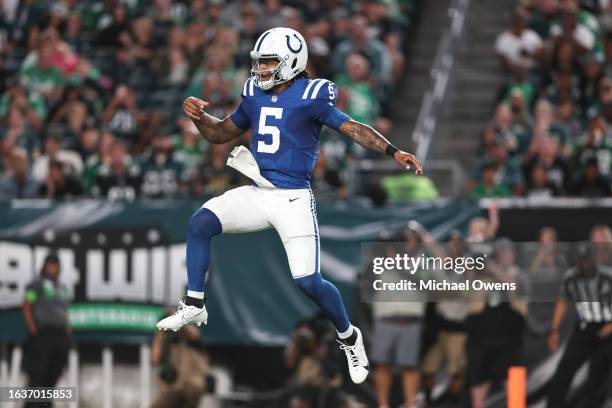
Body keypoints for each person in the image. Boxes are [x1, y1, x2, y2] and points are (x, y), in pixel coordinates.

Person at [156, 26, 423, 384]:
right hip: (258, 190)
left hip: (293, 199)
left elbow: (353, 128)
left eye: (269, 62)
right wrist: (200, 119)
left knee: (309, 282)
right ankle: (195, 304)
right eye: (260, 62)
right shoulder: (253, 93)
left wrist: (393, 150)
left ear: (292, 63)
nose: (261, 69)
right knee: (200, 222)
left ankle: (349, 337)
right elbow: (221, 133)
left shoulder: (312, 95)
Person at [546, 243, 612, 408]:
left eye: (586, 261)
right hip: (585, 326)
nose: (583, 265)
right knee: (565, 369)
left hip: (608, 326)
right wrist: (554, 331)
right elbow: (563, 302)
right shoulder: (571, 277)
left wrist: (610, 326)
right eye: (580, 261)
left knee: (598, 371)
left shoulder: (608, 277)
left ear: (593, 260)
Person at [22, 254, 72, 407]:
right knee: (38, 373)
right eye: (50, 264)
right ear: (44, 266)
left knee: (54, 372)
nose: (53, 268)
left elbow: (66, 311)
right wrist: (33, 329)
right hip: (43, 333)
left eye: (56, 264)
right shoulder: (37, 284)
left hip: (60, 335)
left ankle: (45, 403)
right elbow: (26, 305)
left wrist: (68, 330)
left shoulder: (62, 288)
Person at [151, 309, 209, 408]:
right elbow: (154, 359)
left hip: (191, 384)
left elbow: (194, 335)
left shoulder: (191, 339)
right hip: (173, 387)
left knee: (190, 391)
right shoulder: (168, 341)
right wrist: (160, 332)